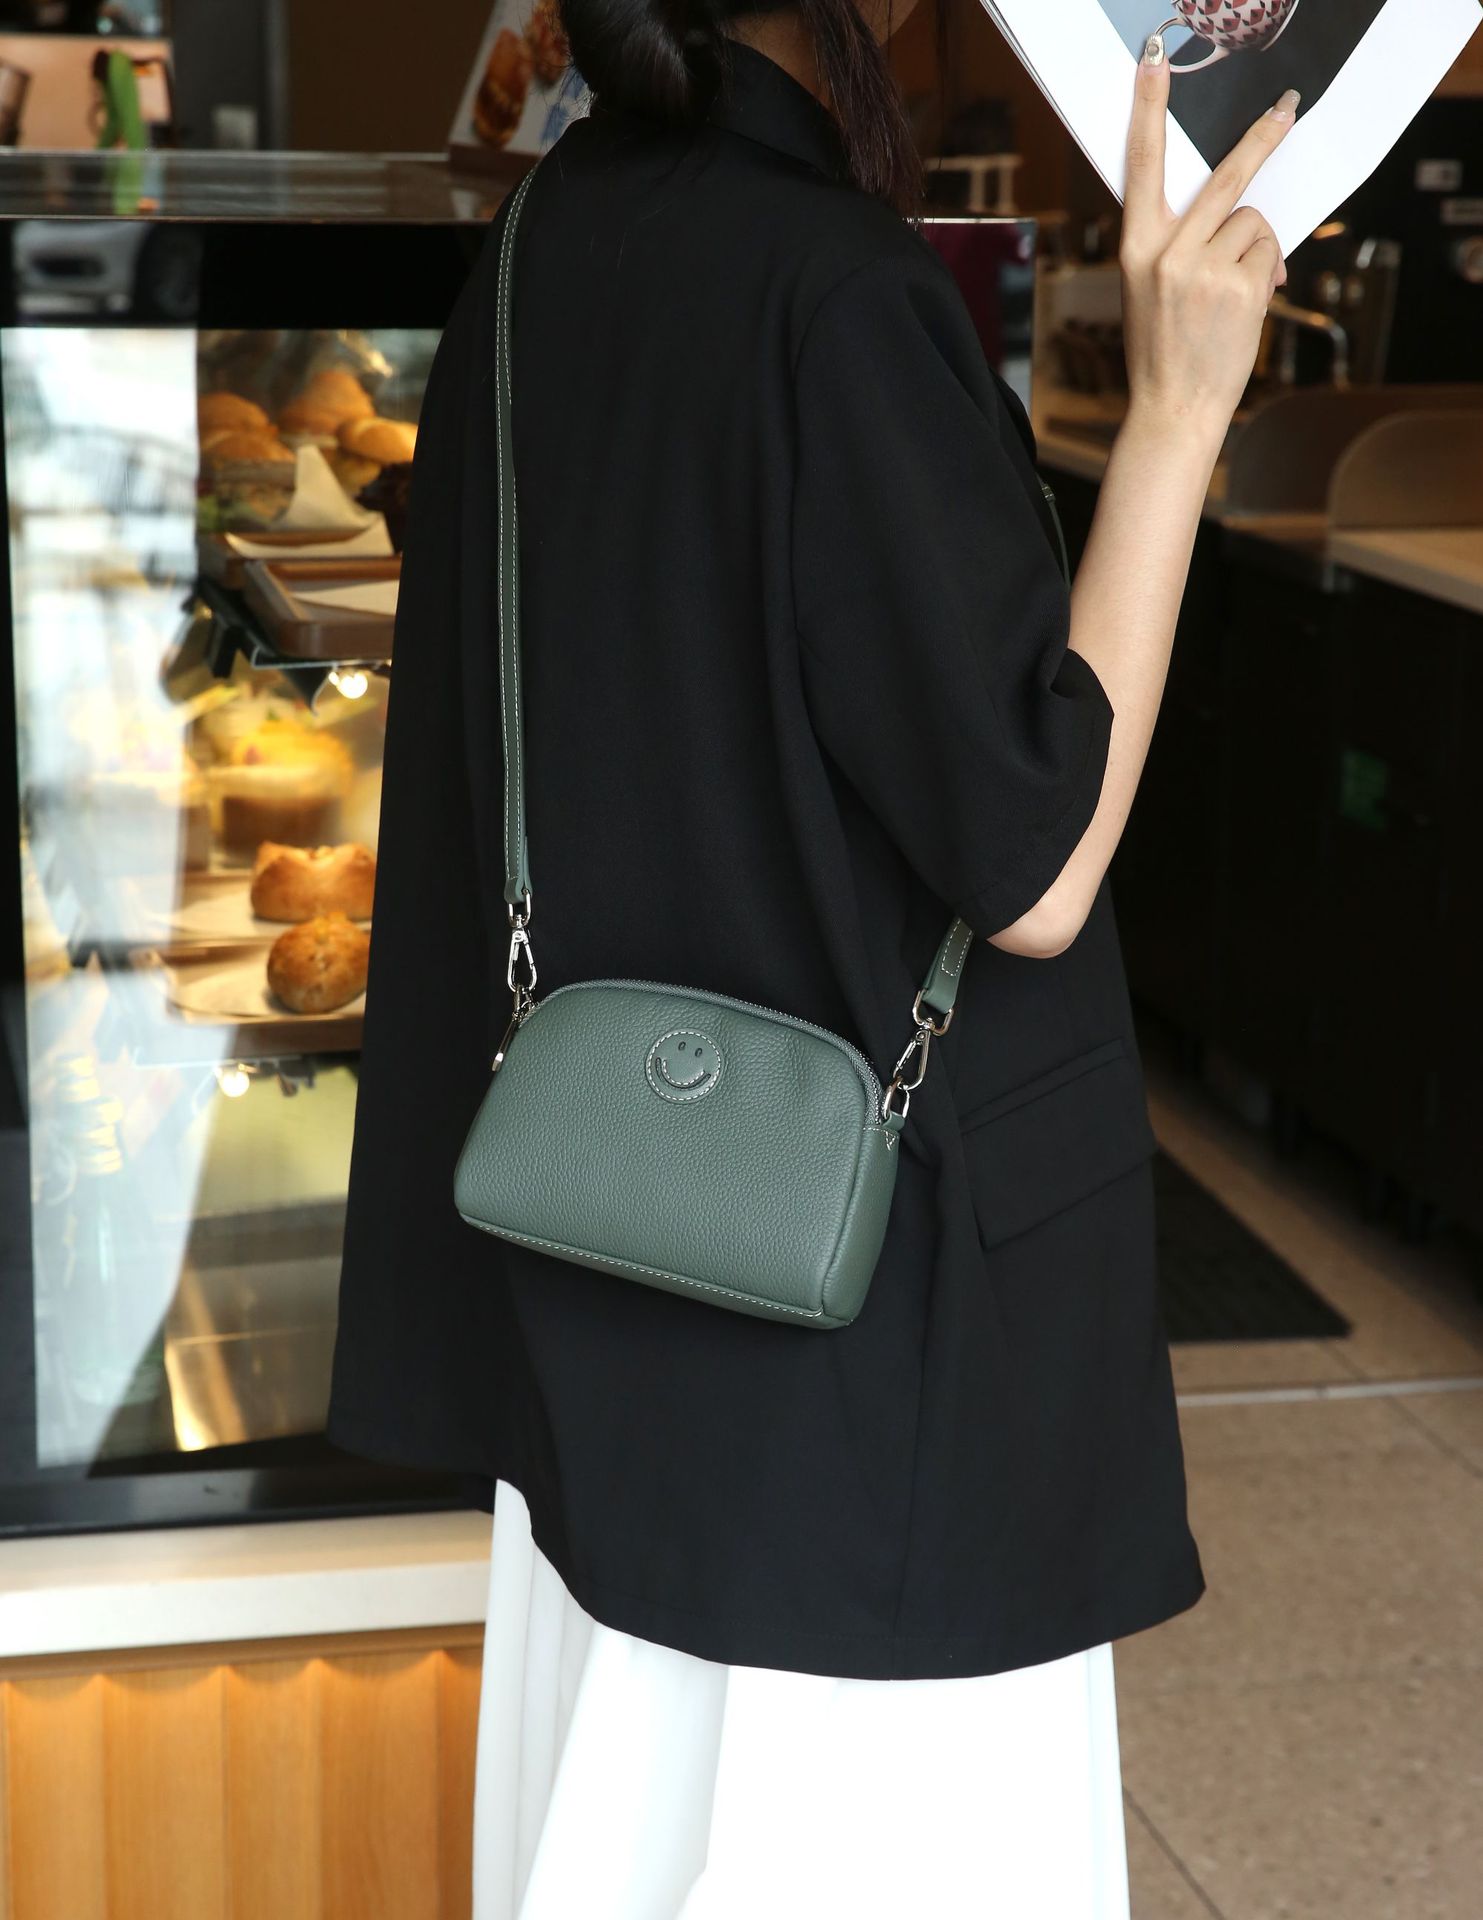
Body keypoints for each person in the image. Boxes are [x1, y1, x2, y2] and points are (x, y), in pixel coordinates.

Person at [325, 8, 1296, 1914]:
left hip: (611, 1312)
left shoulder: (544, 237)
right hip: (864, 1395)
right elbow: (1035, 867)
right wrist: (1180, 412)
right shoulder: (837, 292)